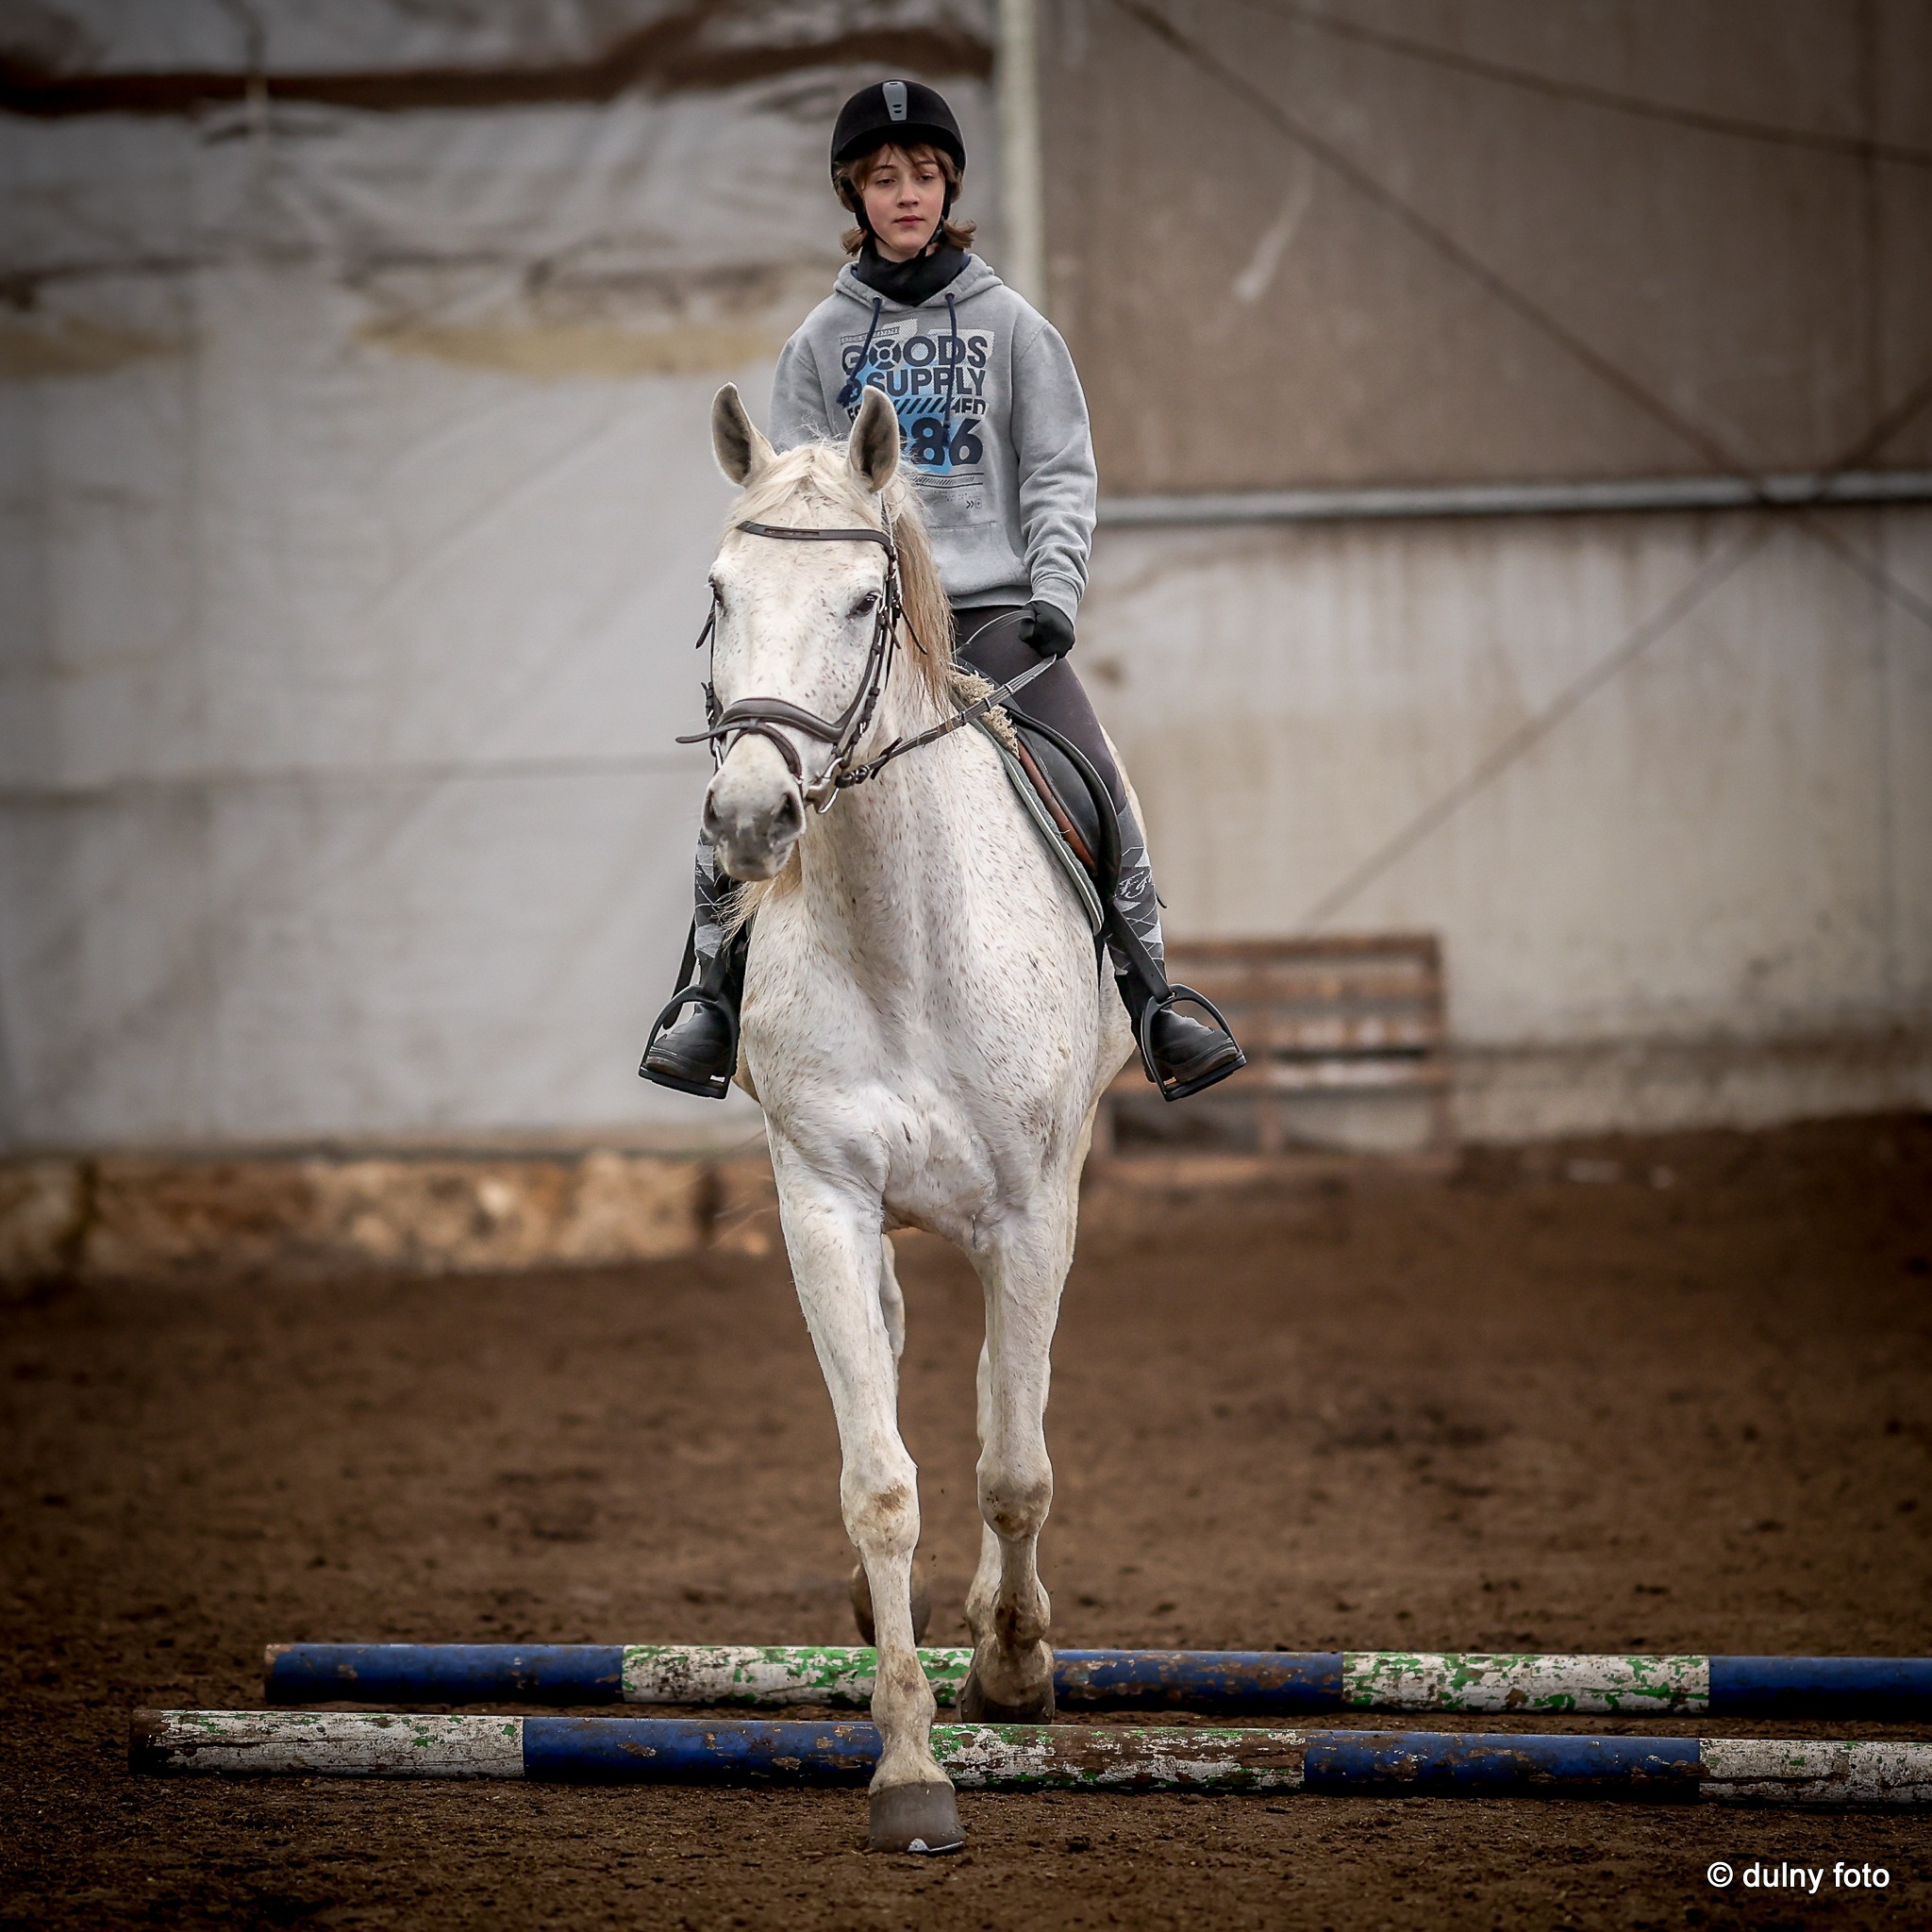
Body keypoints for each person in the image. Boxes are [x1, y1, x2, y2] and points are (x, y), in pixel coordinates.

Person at [641, 78, 1242, 1100]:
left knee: (1095, 778)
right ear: (854, 195)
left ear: (947, 184)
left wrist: (1054, 588)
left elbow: (1057, 469)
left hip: (991, 611)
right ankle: (707, 993)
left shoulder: (1012, 327)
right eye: (884, 179)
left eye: (922, 175)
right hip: (860, 623)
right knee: (751, 771)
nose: (906, 193)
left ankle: (1152, 996)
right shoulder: (817, 344)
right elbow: (792, 501)